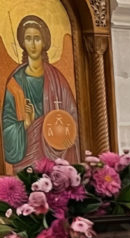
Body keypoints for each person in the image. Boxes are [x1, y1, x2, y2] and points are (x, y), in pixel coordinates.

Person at [3, 15, 80, 173]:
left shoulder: (57, 78)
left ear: (44, 42)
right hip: (27, 155)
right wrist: (25, 124)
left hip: (56, 150)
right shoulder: (15, 83)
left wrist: (58, 127)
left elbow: (72, 116)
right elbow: (6, 125)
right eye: (28, 38)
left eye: (37, 38)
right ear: (22, 43)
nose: (32, 44)